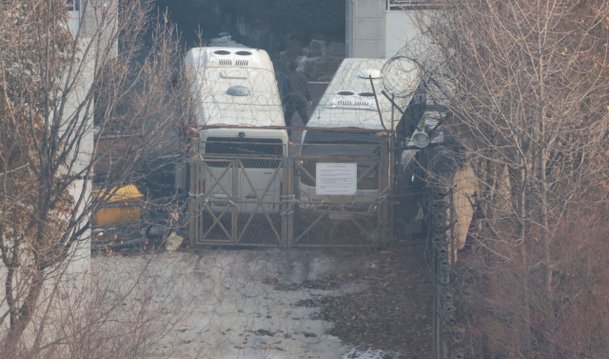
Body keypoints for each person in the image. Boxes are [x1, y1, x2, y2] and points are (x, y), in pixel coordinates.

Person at [283, 61, 312, 133]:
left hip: (292, 101)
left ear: (289, 68)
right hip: (302, 100)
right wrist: (309, 99)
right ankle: (310, 133)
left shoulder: (288, 78)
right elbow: (307, 89)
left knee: (287, 119)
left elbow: (285, 91)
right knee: (305, 119)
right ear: (297, 68)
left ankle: (289, 135)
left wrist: (284, 101)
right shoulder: (303, 77)